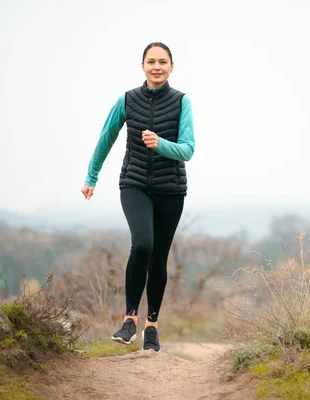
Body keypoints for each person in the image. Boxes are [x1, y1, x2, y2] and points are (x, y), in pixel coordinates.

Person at [81, 42, 195, 352]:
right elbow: (106, 137)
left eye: (162, 62)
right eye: (151, 61)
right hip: (134, 184)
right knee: (142, 243)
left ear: (172, 67)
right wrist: (92, 177)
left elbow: (188, 149)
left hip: (171, 189)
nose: (156, 66)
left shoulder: (182, 102)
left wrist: (160, 144)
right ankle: (130, 319)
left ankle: (152, 327)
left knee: (158, 257)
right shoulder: (127, 100)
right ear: (142, 66)